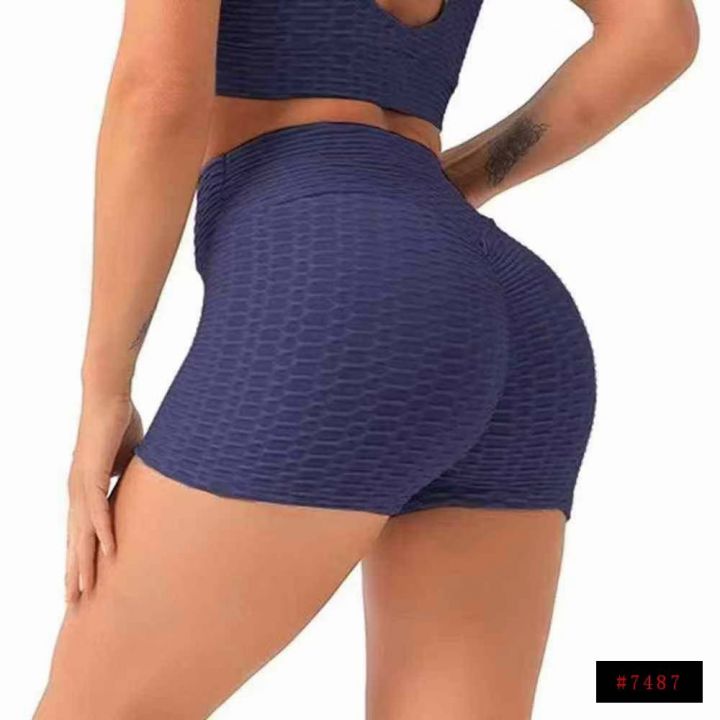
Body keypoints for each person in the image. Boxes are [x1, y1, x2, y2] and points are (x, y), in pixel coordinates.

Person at [34, 0, 698, 718]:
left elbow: (158, 94)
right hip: (516, 311)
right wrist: (451, 189)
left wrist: (105, 387)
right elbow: (660, 29)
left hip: (336, 287)